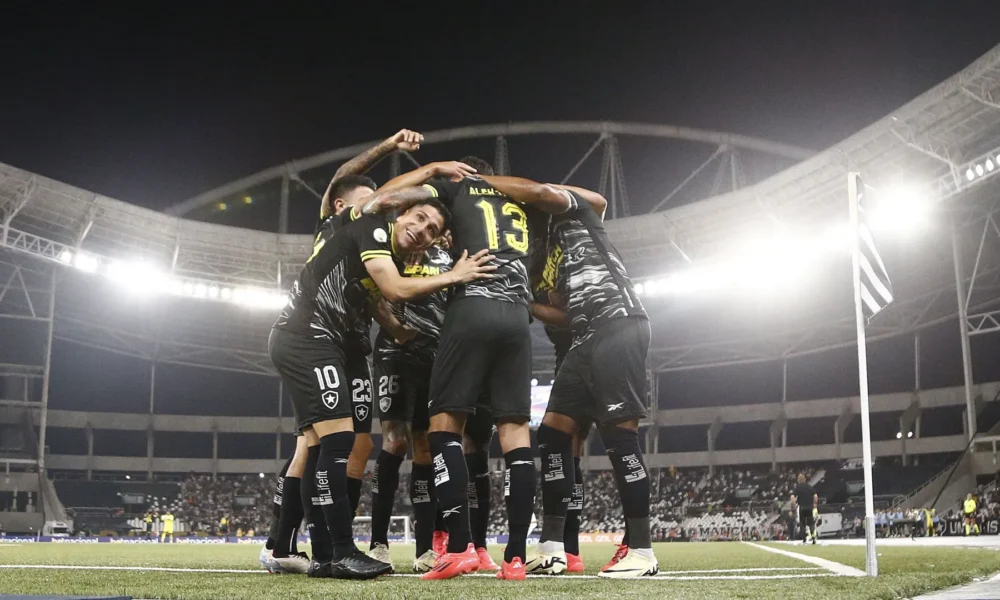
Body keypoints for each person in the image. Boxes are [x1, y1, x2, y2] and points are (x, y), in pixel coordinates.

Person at [265, 129, 474, 576]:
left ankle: (316, 551)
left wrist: (398, 330)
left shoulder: (381, 245)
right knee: (332, 443)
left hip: (345, 347)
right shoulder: (363, 222)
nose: (422, 230)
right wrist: (430, 169)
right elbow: (392, 285)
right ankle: (325, 549)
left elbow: (377, 299)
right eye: (418, 218)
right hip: (309, 336)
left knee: (328, 445)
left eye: (432, 229)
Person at [358, 162, 574, 580]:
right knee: (516, 433)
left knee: (442, 428)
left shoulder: (455, 189)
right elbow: (543, 196)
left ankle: (458, 548)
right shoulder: (519, 201)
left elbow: (381, 201)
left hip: (471, 309)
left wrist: (433, 172)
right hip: (518, 316)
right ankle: (515, 558)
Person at [503, 182, 656, 578]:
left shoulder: (573, 217)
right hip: (584, 338)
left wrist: (483, 183)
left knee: (619, 436)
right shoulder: (541, 260)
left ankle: (641, 551)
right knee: (553, 432)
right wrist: (526, 301)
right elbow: (565, 315)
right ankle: (553, 548)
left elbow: (596, 200)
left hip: (618, 323)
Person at [791, 474, 818, 544]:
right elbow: (815, 496)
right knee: (811, 523)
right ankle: (813, 537)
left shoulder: (798, 488)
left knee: (802, 524)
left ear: (798, 480)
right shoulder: (810, 487)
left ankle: (804, 538)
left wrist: (793, 505)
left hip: (802, 507)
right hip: (809, 507)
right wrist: (815, 504)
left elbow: (792, 497)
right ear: (805, 479)